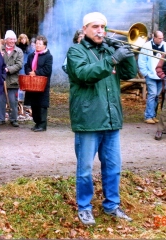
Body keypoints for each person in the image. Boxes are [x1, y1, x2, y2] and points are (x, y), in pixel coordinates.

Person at [66, 12, 137, 225]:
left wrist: (128, 53)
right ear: (85, 29)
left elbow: (129, 74)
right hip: (88, 119)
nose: (100, 31)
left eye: (103, 27)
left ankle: (112, 205)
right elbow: (84, 74)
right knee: (86, 169)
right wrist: (113, 59)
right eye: (95, 26)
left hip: (111, 118)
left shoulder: (108, 48)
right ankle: (85, 207)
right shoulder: (75, 51)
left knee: (113, 166)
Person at [138, 31, 166, 124]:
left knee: (156, 96)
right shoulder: (146, 46)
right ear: (154, 37)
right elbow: (142, 61)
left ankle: (153, 115)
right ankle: (148, 116)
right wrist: (146, 73)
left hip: (160, 75)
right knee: (152, 94)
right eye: (159, 38)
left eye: (162, 38)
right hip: (150, 75)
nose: (161, 40)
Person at [24, 35, 53, 132]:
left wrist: (36, 72)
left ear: (45, 45)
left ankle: (42, 124)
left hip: (42, 84)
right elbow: (27, 66)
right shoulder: (31, 55)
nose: (37, 45)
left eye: (40, 44)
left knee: (42, 105)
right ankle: (36, 123)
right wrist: (29, 72)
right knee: (34, 104)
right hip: (32, 84)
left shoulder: (48, 56)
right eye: (36, 43)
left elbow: (47, 69)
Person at [0, 30, 23, 127]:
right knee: (1, 100)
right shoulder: (0, 50)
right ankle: (0, 118)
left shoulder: (19, 51)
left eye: (14, 39)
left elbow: (19, 64)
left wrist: (8, 69)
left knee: (13, 100)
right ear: (6, 40)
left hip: (13, 80)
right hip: (1, 79)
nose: (12, 41)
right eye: (10, 39)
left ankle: (14, 119)